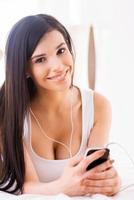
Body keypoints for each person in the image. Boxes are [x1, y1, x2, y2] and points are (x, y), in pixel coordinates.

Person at [0, 14, 120, 196]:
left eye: (61, 51)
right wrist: (63, 187)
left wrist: (111, 182)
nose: (58, 66)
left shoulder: (98, 106)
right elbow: (26, 187)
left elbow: (93, 176)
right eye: (40, 59)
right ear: (25, 69)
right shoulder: (8, 112)